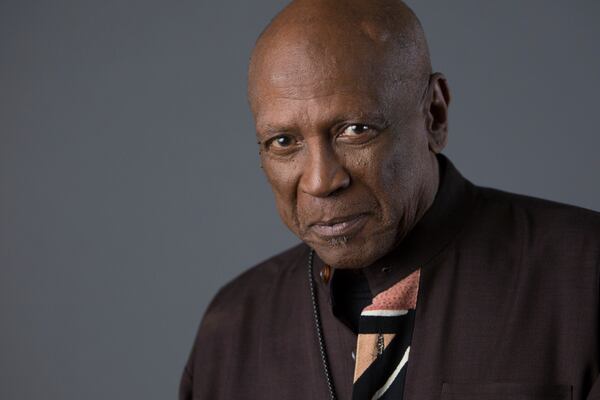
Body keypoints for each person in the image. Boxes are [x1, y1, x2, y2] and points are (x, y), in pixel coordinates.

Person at [180, 1, 600, 399]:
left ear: (433, 115)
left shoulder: (585, 276)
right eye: (284, 141)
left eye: (356, 130)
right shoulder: (231, 330)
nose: (322, 181)